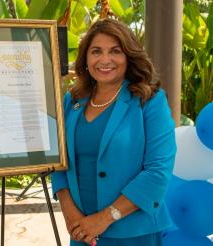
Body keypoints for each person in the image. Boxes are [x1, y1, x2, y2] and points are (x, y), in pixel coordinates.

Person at [51, 18, 176, 246]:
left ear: (128, 56)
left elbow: (158, 171)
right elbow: (57, 161)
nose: (105, 60)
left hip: (134, 233)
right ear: (86, 59)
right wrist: (71, 215)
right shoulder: (72, 101)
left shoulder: (150, 100)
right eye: (96, 51)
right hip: (82, 232)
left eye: (115, 51)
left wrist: (105, 218)